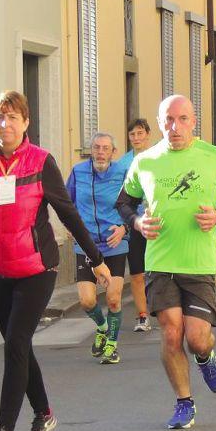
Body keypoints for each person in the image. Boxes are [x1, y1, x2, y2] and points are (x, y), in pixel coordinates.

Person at [0, 91, 111, 431]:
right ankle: (44, 413)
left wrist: (96, 258)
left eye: (12, 117)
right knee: (17, 343)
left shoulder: (41, 162)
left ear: (26, 122)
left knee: (14, 343)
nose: (4, 124)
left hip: (36, 268)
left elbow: (67, 212)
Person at [115, 95, 216, 429]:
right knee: (172, 335)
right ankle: (184, 402)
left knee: (196, 338)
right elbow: (124, 202)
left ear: (193, 121)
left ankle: (205, 356)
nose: (175, 127)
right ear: (160, 123)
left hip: (200, 264)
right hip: (161, 262)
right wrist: (136, 223)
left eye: (183, 119)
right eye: (169, 120)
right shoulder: (145, 161)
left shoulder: (213, 156)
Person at [66, 132, 128, 365]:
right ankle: (102, 327)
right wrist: (69, 226)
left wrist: (124, 228)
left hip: (114, 244)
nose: (100, 152)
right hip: (86, 244)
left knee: (113, 299)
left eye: (105, 148)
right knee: (87, 301)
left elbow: (138, 204)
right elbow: (65, 202)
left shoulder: (123, 173)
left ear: (114, 152)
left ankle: (111, 345)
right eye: (96, 147)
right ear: (90, 150)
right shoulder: (78, 172)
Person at [121, 119, 153, 332]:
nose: (136, 138)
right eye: (132, 134)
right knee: (136, 271)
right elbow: (120, 197)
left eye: (140, 133)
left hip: (157, 222)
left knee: (158, 269)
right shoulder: (122, 164)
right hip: (134, 223)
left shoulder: (158, 158)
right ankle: (142, 315)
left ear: (148, 134)